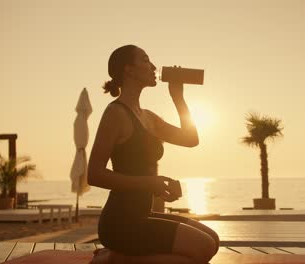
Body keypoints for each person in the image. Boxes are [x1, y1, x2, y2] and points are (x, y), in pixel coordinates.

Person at [88, 45, 219, 264]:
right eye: (146, 60)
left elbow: (190, 139)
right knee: (202, 247)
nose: (154, 67)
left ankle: (116, 257)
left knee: (212, 240)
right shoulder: (115, 113)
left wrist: (178, 97)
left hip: (142, 215)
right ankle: (114, 260)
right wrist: (150, 183)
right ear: (129, 70)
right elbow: (94, 174)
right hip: (120, 222)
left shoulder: (148, 117)